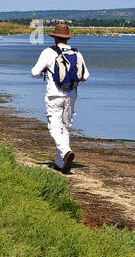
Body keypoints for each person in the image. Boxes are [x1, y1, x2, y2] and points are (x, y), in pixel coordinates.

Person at [30, 23, 90, 173]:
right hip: (72, 94)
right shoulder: (77, 53)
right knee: (65, 127)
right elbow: (86, 76)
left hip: (54, 95)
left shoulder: (48, 52)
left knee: (54, 127)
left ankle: (65, 151)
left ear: (55, 37)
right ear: (68, 38)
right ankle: (61, 163)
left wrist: (46, 70)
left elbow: (34, 72)